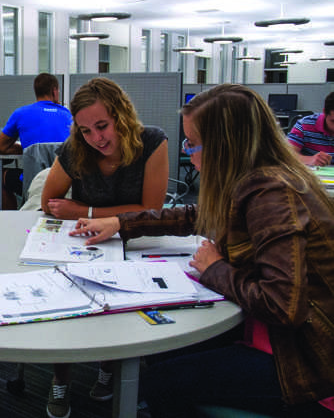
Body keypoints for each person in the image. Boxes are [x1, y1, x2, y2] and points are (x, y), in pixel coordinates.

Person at [75, 84, 334, 418]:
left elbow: (284, 306)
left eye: (193, 144)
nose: (189, 153)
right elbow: (193, 216)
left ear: (225, 147)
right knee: (160, 348)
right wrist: (121, 224)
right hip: (278, 339)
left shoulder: (272, 197)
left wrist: (215, 269)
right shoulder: (256, 181)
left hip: (304, 362)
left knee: (161, 381)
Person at [42, 77, 169, 418]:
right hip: (85, 244)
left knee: (120, 307)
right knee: (66, 301)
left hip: (136, 243)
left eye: (102, 126)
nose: (96, 139)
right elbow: (49, 203)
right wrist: (88, 216)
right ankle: (61, 378)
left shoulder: (152, 142)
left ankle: (109, 368)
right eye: (85, 131)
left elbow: (151, 212)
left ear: (121, 117)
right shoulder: (75, 149)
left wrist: (86, 211)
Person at [0, 73, 72, 208]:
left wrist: (27, 150)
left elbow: (1, 148)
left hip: (34, 185)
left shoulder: (21, 113)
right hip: (66, 187)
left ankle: (13, 216)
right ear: (55, 91)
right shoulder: (68, 115)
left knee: (0, 176)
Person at [287, 91, 334, 166]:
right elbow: (287, 155)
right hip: (315, 174)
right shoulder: (304, 125)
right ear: (325, 112)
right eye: (333, 121)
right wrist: (310, 160)